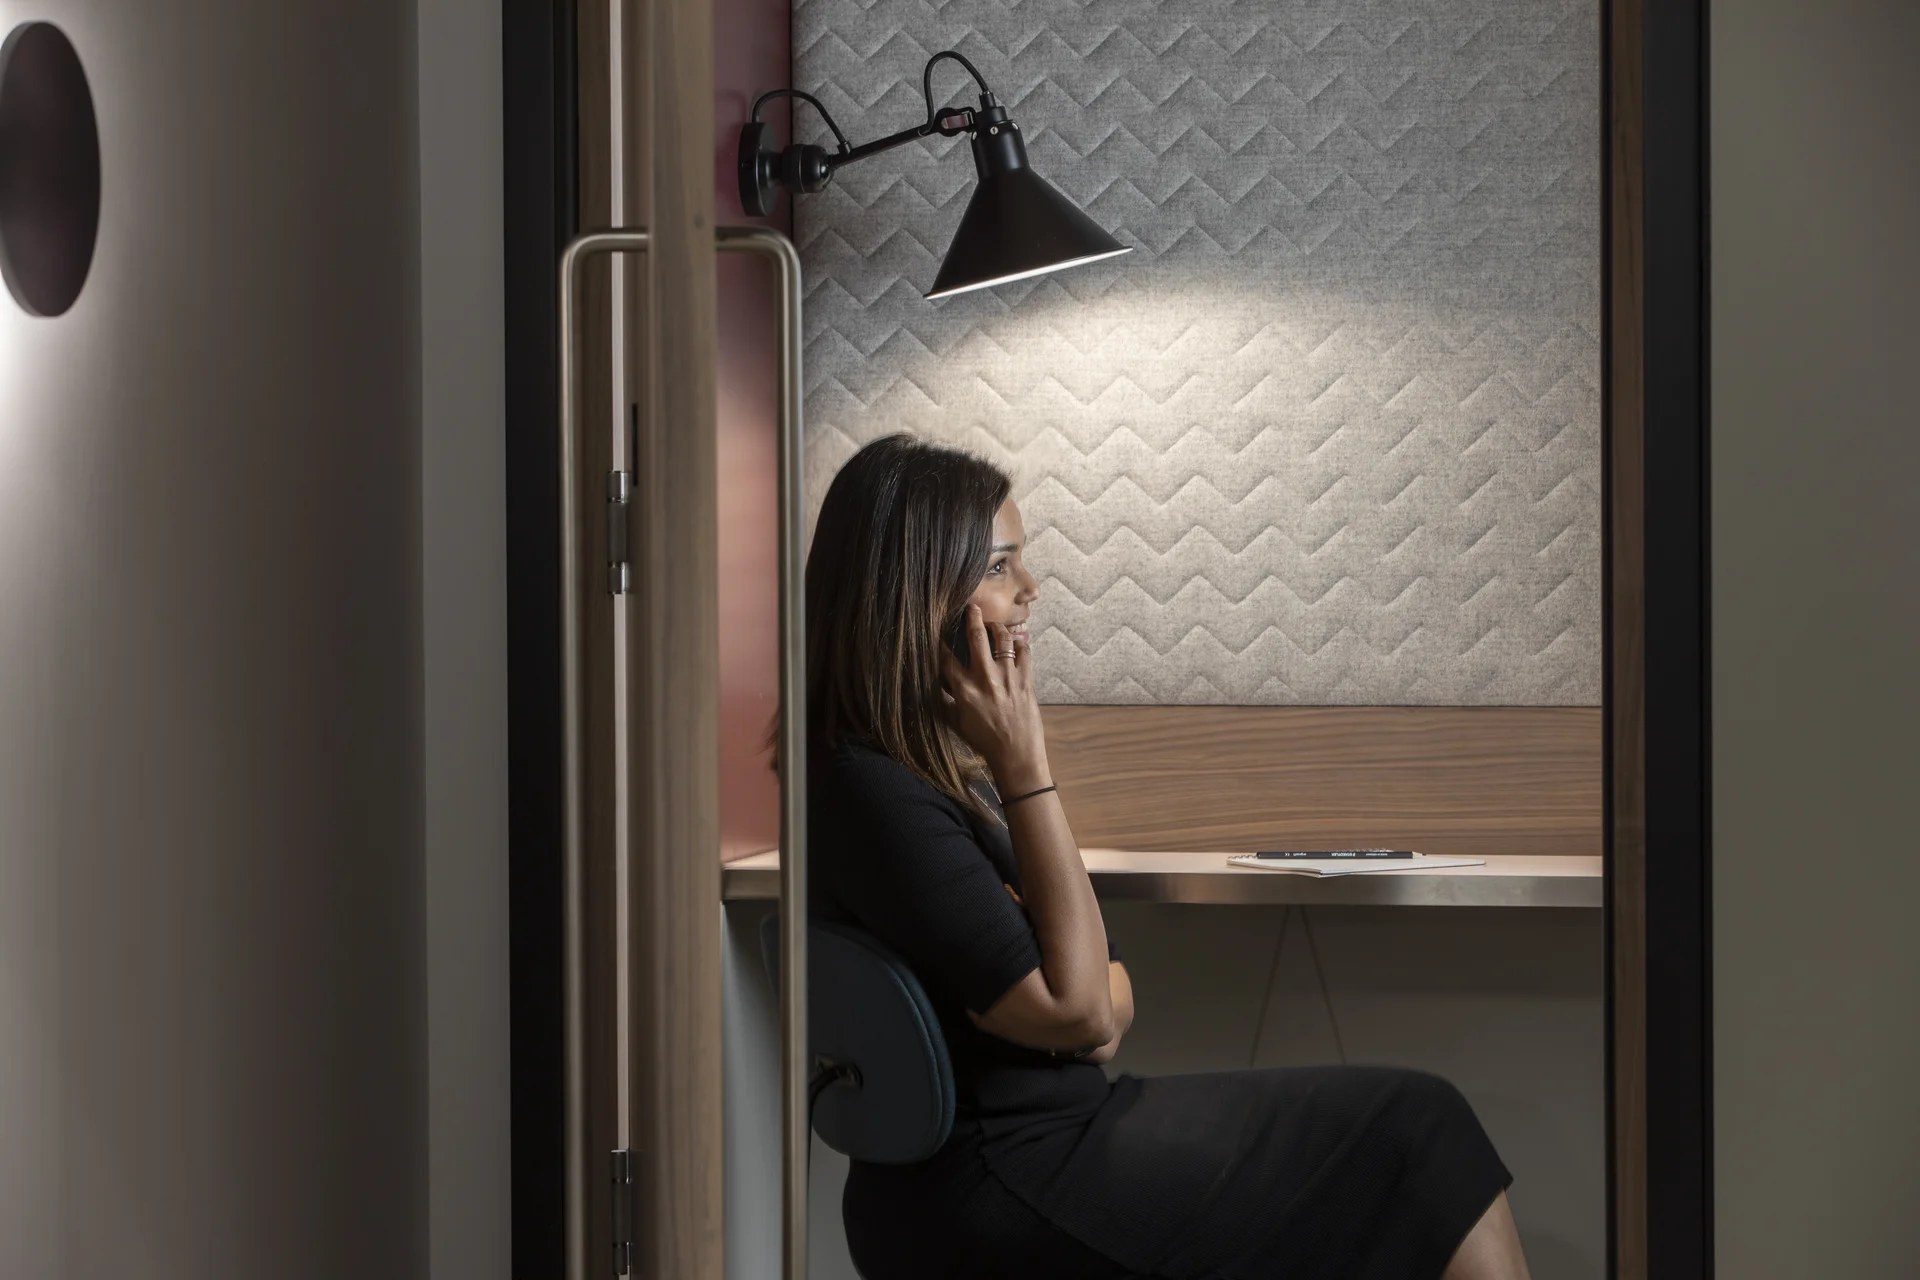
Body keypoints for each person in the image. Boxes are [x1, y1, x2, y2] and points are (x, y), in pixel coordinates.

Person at [804, 434, 1531, 1280]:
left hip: (1065, 1131)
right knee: (1417, 1128)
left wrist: (1081, 1002)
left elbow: (1105, 1011)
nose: (1030, 591)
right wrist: (1025, 765)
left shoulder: (910, 777)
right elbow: (1083, 1008)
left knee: (1415, 1130)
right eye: (1002, 567)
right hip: (1007, 1178)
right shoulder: (874, 795)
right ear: (918, 595)